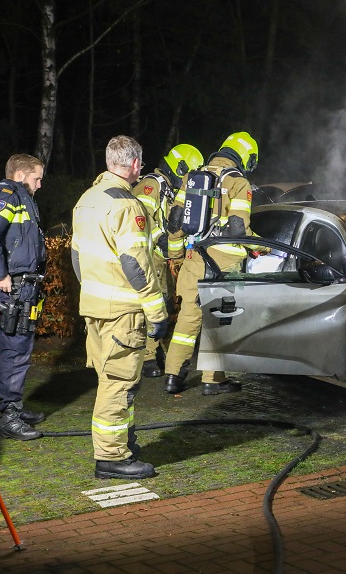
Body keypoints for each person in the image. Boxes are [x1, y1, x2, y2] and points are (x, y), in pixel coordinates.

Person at [72, 136, 169, 480]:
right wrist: (158, 312)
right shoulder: (127, 205)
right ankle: (111, 457)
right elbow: (136, 264)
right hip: (122, 312)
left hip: (94, 308)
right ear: (132, 164)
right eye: (139, 164)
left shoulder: (88, 199)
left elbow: (76, 258)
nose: (140, 169)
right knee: (119, 383)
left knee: (109, 379)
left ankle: (122, 442)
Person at [164, 130, 265, 396]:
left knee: (187, 320)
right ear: (245, 157)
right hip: (223, 265)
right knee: (219, 321)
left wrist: (175, 257)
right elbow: (238, 229)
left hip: (193, 259)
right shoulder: (238, 183)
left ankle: (173, 376)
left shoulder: (192, 178)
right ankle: (213, 380)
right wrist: (262, 246)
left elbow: (174, 224)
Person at [132, 144, 204, 378]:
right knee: (155, 305)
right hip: (149, 255)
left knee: (165, 305)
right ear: (180, 167)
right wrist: (161, 240)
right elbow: (140, 219)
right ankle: (148, 357)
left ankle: (156, 352)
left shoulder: (166, 188)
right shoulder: (152, 185)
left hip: (160, 257)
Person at [0, 154, 47, 440]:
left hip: (25, 285)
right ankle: (8, 415)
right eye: (37, 177)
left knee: (20, 348)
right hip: (13, 286)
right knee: (13, 350)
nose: (39, 184)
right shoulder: (6, 195)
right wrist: (0, 276)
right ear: (21, 173)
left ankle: (14, 405)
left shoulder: (22, 197)